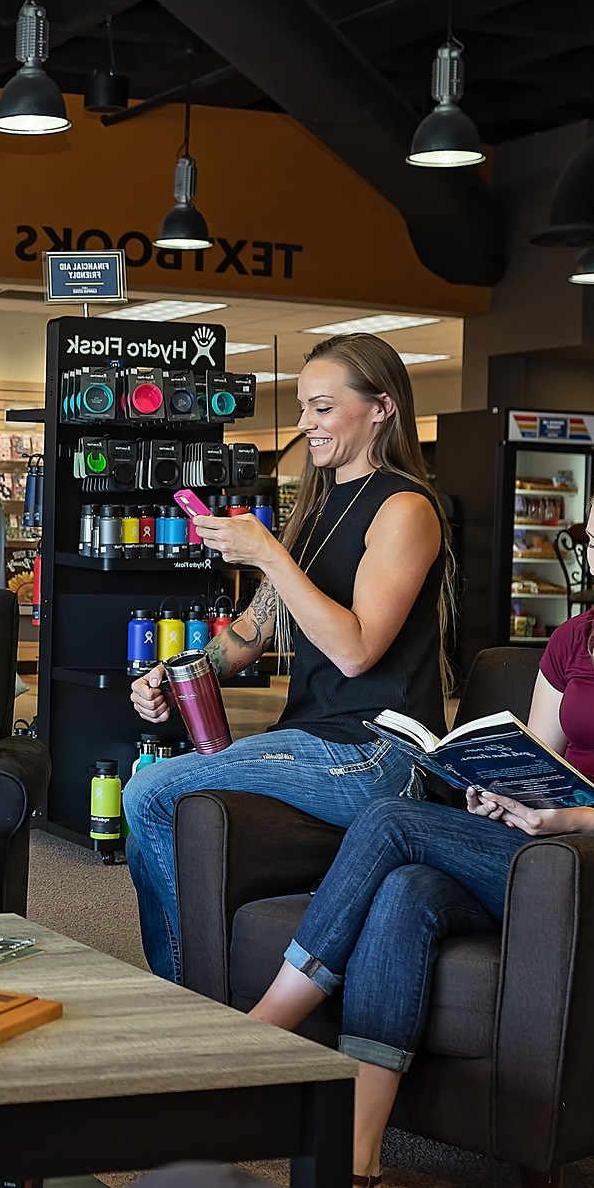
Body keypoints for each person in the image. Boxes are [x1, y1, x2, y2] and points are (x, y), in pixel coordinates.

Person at [245, 458, 594, 1188]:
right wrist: (496, 787)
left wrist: (588, 820)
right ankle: (358, 1165)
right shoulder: (574, 640)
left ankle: (263, 1029)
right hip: (541, 851)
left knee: (391, 820)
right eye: (592, 543)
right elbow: (540, 757)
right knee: (404, 891)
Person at [122, 333, 453, 983]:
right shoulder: (318, 507)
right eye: (304, 408)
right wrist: (183, 673)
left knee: (148, 791)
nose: (306, 424)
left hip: (383, 755)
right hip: (314, 740)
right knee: (150, 817)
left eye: (322, 408)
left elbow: (356, 651)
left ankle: (197, 995)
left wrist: (270, 552)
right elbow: (250, 630)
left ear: (381, 407)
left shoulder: (405, 508)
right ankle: (193, 983)